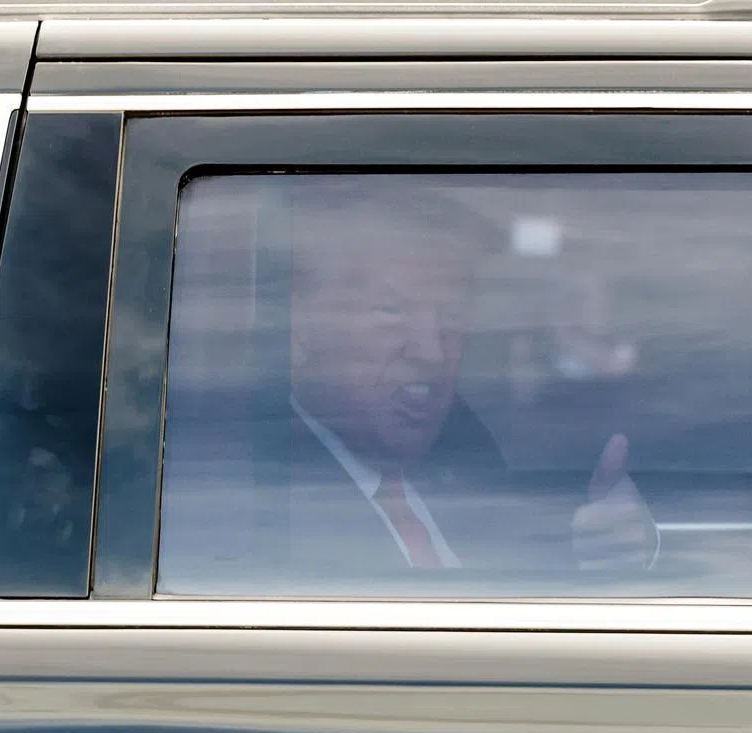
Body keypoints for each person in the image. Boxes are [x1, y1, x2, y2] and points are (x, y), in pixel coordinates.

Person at [257, 179, 659, 576]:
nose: (431, 350)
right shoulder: (266, 496)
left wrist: (601, 549)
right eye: (391, 311)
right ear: (302, 326)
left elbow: (517, 569)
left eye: (451, 318)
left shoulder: (464, 455)